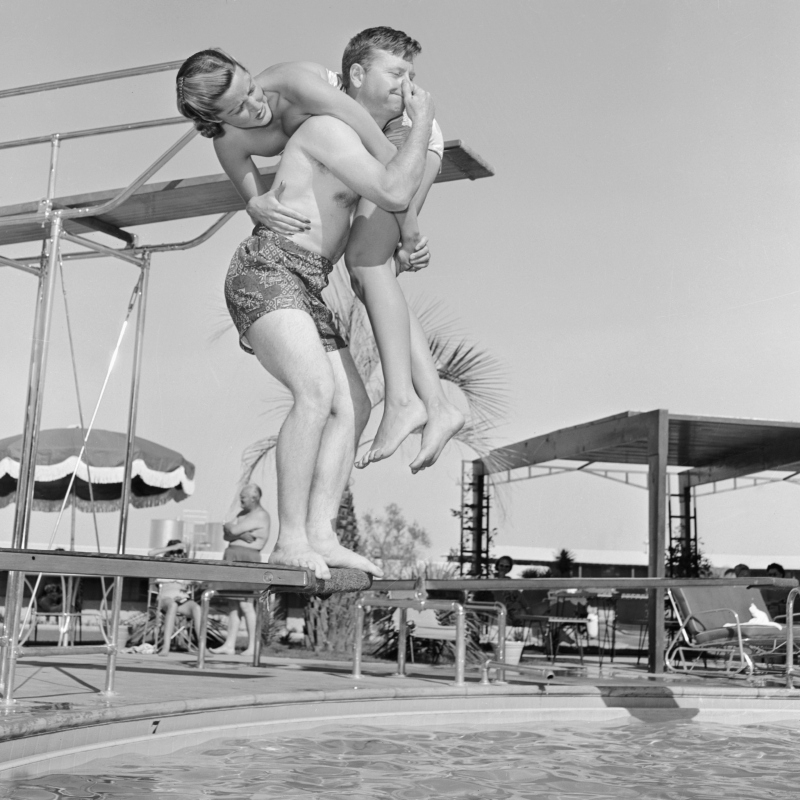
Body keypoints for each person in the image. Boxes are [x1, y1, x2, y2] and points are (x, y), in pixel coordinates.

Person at [176, 37, 435, 580]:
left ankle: (320, 532)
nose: (256, 107)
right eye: (238, 107)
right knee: (315, 392)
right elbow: (393, 185)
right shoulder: (323, 131)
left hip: (304, 283)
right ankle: (290, 537)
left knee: (355, 407)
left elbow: (389, 186)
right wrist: (424, 119)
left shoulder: (311, 103)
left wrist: (406, 231)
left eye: (251, 91)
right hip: (266, 272)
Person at [210, 483, 271, 656]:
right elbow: (226, 533)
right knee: (233, 604)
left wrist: (232, 530)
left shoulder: (261, 515)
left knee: (246, 604)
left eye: (243, 497)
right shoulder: (243, 514)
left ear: (254, 498)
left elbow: (232, 529)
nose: (241, 501)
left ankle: (253, 646)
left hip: (247, 558)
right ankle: (229, 645)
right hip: (232, 556)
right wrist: (236, 532)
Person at [147, 539, 202, 657]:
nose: (176, 554)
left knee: (196, 608)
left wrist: (193, 583)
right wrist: (173, 547)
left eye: (179, 551)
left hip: (181, 597)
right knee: (172, 605)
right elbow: (151, 553)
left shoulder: (185, 565)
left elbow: (197, 582)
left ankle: (202, 647)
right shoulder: (162, 564)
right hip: (165, 597)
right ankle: (166, 647)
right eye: (174, 551)